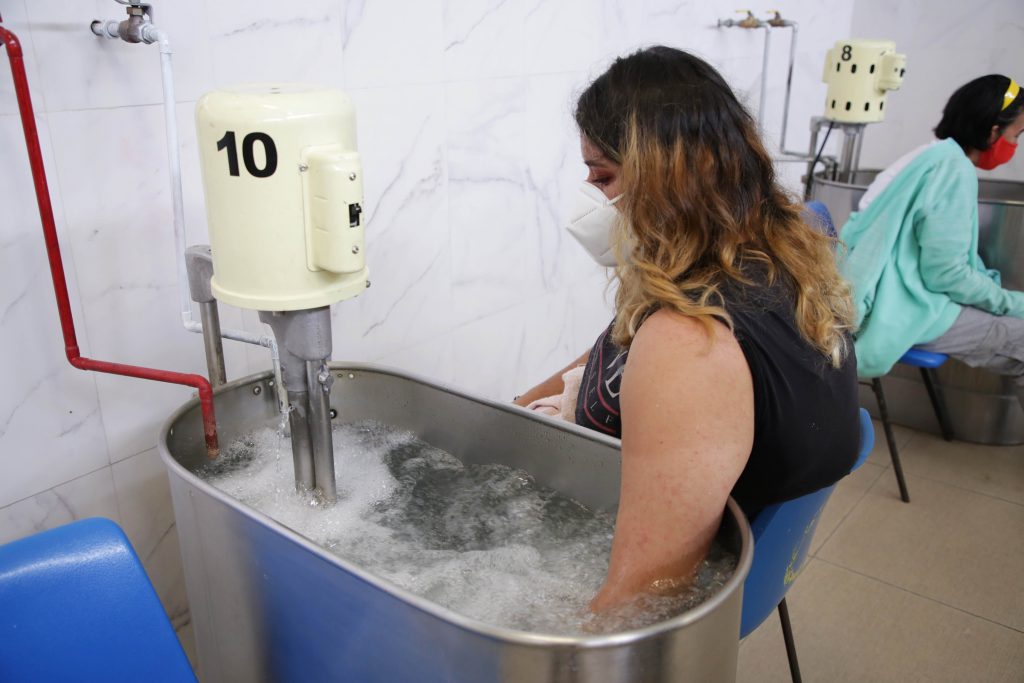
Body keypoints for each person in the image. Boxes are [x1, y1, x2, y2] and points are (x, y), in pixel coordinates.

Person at [514, 46, 860, 612]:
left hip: (672, 585)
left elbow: (639, 601)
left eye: (602, 176)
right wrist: (509, 414)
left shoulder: (688, 341)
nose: (590, 198)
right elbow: (612, 347)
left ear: (667, 180)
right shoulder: (767, 257)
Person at [840, 75, 1024, 382]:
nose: (1015, 145)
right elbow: (945, 274)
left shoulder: (928, 156)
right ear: (994, 131)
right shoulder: (953, 170)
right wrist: (1013, 302)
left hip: (876, 296)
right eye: (1016, 135)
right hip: (904, 308)